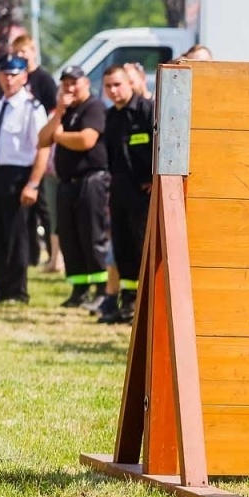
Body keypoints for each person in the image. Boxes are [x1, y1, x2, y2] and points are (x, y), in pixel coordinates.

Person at [0, 55, 49, 306]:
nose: (9, 79)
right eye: (4, 74)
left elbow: (42, 148)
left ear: (25, 76)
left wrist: (33, 184)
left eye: (14, 74)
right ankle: (1, 288)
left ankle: (17, 290)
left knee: (16, 235)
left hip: (18, 175)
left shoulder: (31, 108)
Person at [41, 66, 112, 309]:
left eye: (74, 83)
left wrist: (59, 137)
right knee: (70, 238)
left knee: (92, 236)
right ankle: (79, 288)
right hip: (67, 183)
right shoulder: (65, 112)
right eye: (66, 84)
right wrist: (59, 112)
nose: (70, 88)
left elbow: (86, 140)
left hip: (91, 181)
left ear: (85, 83)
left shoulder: (94, 107)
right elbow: (42, 139)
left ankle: (102, 289)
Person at [101, 64, 153, 325]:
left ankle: (146, 305)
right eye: (108, 86)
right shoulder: (110, 117)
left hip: (144, 196)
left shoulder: (147, 111)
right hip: (119, 193)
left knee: (143, 247)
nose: (113, 90)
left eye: (117, 84)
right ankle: (128, 301)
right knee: (123, 249)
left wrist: (156, 180)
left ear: (129, 83)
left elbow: (163, 148)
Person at [11, 35, 60, 274]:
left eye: (24, 53)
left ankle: (55, 256)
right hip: (22, 154)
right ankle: (31, 255)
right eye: (16, 53)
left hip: (41, 150)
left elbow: (53, 116)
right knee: (26, 213)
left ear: (33, 52)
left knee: (45, 209)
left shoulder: (44, 80)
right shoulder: (18, 79)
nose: (21, 57)